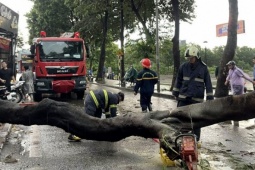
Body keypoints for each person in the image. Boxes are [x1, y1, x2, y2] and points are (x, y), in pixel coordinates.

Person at [172, 46, 214, 142]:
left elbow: (208, 83)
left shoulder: (203, 68)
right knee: (181, 118)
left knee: (196, 120)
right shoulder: (183, 66)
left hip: (196, 99)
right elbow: (178, 80)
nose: (190, 60)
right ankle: (181, 137)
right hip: (183, 97)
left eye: (192, 58)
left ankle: (196, 139)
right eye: (188, 58)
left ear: (197, 56)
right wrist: (175, 92)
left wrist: (210, 97)